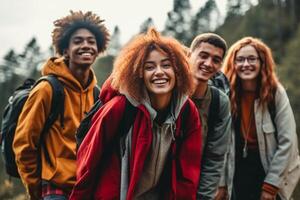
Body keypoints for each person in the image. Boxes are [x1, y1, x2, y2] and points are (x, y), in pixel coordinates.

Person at [69, 28, 202, 200]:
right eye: (149, 67)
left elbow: (187, 175)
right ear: (139, 74)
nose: (159, 72)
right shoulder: (119, 108)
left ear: (178, 71)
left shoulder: (187, 111)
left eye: (166, 65)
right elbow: (88, 163)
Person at [13, 11, 109, 200]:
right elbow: (24, 145)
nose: (86, 46)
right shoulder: (48, 89)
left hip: (87, 188)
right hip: (54, 190)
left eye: (91, 41)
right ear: (65, 50)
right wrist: (36, 190)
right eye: (78, 41)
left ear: (98, 49)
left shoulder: (97, 94)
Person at [223, 37, 300, 200]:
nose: (246, 64)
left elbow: (288, 141)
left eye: (252, 59)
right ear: (233, 63)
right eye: (240, 59)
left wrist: (271, 186)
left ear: (262, 62)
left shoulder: (275, 93)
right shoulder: (226, 95)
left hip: (269, 171)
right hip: (237, 173)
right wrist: (221, 182)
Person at [188, 33, 232, 200]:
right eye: (203, 56)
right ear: (189, 55)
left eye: (216, 60)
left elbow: (214, 159)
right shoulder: (169, 92)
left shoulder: (219, 103)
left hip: (194, 187)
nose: (208, 64)